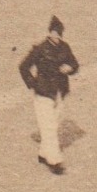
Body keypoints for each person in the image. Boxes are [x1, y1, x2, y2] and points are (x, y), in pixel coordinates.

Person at [19, 15, 80, 175]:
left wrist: (70, 68)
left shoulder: (65, 48)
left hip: (59, 92)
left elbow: (75, 64)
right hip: (44, 92)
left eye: (59, 33)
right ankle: (55, 160)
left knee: (53, 124)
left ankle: (44, 153)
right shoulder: (40, 49)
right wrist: (34, 84)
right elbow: (23, 67)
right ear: (50, 33)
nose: (56, 36)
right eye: (54, 32)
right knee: (49, 126)